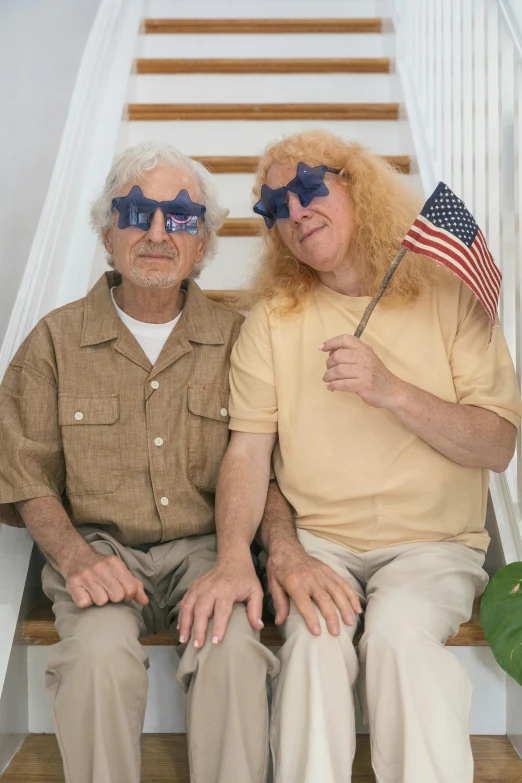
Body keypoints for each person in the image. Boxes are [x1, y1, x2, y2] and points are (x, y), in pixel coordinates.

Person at [179, 130, 522, 783]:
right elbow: (249, 456)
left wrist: (390, 389)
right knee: (313, 644)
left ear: (355, 185)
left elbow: (498, 444)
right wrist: (267, 553)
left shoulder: (449, 294)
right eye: (275, 206)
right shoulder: (272, 319)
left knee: (396, 636)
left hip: (433, 543)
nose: (295, 211)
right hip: (320, 545)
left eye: (308, 187)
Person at [0, 141, 279, 783]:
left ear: (203, 245)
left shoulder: (240, 339)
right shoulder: (54, 339)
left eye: (180, 218)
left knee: (234, 649)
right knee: (96, 658)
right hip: (98, 549)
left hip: (212, 548)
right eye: (136, 213)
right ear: (107, 232)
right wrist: (74, 559)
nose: (157, 233)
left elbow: (270, 466)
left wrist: (260, 553)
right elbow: (23, 472)